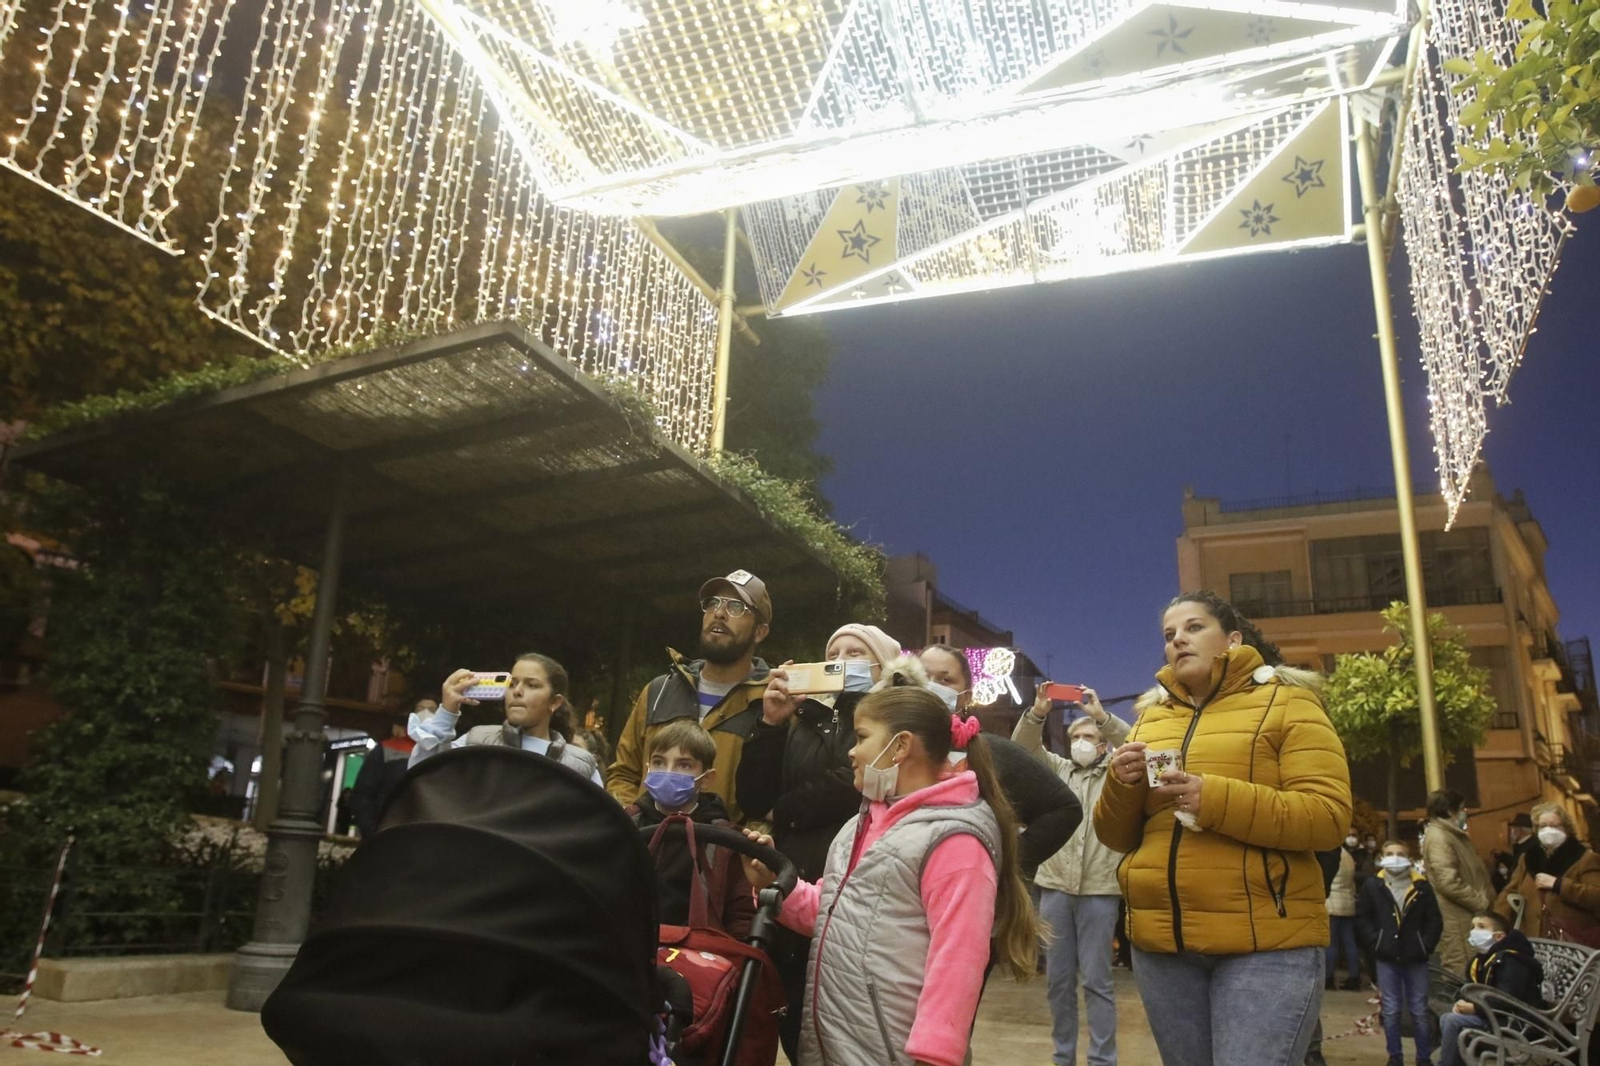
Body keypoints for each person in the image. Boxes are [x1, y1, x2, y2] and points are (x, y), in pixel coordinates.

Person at [1094, 591, 1351, 1066]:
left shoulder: (1289, 703)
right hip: (1162, 947)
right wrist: (1122, 784)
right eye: (1169, 635)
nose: (1178, 641)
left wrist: (1214, 799)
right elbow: (1115, 837)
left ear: (1232, 639)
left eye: (1193, 628)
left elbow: (1328, 816)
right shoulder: (1150, 717)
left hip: (1265, 949)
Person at [740, 685, 1038, 1066]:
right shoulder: (861, 823)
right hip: (843, 1044)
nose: (851, 750)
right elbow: (837, 910)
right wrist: (773, 884)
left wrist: (935, 1055)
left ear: (900, 747)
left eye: (861, 736)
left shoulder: (953, 839)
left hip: (896, 1052)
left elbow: (959, 959)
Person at [736, 622, 906, 1061]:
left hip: (856, 891)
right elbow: (754, 796)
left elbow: (852, 786)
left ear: (881, 664)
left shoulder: (891, 720)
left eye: (855, 652)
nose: (842, 660)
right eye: (834, 652)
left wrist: (783, 809)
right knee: (793, 1024)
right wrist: (772, 722)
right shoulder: (803, 716)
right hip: (793, 891)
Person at [1012, 681, 1128, 1066]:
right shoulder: (1057, 770)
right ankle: (1063, 1058)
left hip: (1099, 891)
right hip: (1056, 890)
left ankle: (1102, 1060)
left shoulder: (1118, 772)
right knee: (1058, 982)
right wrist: (1038, 713)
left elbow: (1140, 743)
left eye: (1088, 735)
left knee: (1097, 982)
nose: (1080, 740)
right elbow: (1022, 750)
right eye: (1075, 735)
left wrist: (1102, 716)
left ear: (1102, 744)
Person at [607, 570, 772, 821]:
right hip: (645, 848)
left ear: (760, 632)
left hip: (720, 853)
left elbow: (770, 800)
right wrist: (632, 824)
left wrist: (739, 850)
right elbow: (624, 773)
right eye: (713, 603)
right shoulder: (658, 690)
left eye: (737, 606)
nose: (719, 613)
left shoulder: (771, 703)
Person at [918, 644, 1082, 878]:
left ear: (966, 696)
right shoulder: (884, 746)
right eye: (922, 677)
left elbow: (1066, 809)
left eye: (946, 680)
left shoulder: (991, 751)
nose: (931, 686)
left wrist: (1006, 864)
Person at [627, 719, 754, 937]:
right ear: (647, 770)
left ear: (706, 779)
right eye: (659, 762)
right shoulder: (626, 823)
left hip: (695, 955)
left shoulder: (725, 840)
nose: (668, 772)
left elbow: (741, 915)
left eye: (683, 765)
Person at [408, 653, 601, 783]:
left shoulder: (582, 765)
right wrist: (446, 714)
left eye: (532, 685)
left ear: (555, 702)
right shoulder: (476, 740)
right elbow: (423, 779)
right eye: (512, 683)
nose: (517, 691)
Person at [1357, 840, 1444, 1066]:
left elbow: (1434, 920)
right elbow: (1363, 917)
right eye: (1389, 853)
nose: (1394, 857)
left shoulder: (1422, 887)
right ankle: (1395, 1057)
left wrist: (1425, 945)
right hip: (1387, 956)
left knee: (1419, 1009)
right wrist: (1377, 942)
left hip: (1416, 957)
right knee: (1392, 1009)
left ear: (1409, 858)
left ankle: (1423, 1058)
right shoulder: (1373, 886)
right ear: (1381, 857)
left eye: (1400, 853)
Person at [1438, 911, 1545, 1066]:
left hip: (1517, 1021)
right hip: (1495, 1015)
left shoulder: (1511, 960)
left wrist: (1475, 1008)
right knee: (1447, 1018)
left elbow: (1507, 998)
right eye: (1473, 926)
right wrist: (1462, 1002)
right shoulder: (1482, 958)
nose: (1474, 931)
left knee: (1453, 1022)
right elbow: (1470, 988)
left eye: (1481, 927)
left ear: (1499, 936)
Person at [1493, 801, 1600, 941]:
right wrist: (1497, 925)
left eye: (1555, 825)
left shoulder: (1584, 858)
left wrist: (1559, 885)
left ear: (1566, 829)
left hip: (1573, 942)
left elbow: (1596, 896)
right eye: (1543, 826)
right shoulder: (1528, 859)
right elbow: (1510, 892)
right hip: (1535, 942)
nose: (1549, 830)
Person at [1421, 789, 1494, 978]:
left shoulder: (1452, 835)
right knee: (1461, 968)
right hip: (1459, 917)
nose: (1465, 812)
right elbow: (1448, 882)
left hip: (1465, 914)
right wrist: (1480, 902)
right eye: (1462, 808)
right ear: (1449, 810)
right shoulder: (1440, 837)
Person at [351, 696, 436, 839]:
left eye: (432, 710)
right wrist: (372, 831)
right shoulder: (386, 749)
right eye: (420, 709)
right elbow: (363, 793)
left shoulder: (445, 750)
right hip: (388, 833)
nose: (426, 713)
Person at [1326, 829, 1362, 990]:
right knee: (1349, 942)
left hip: (1332, 903)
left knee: (1332, 943)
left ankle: (1328, 977)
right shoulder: (1348, 856)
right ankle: (1354, 977)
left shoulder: (1330, 854)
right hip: (1347, 903)